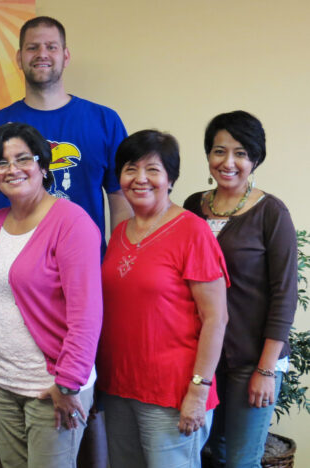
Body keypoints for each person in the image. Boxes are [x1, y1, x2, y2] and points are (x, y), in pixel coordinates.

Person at [98, 130, 229, 468]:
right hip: (118, 388)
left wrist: (199, 390)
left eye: (153, 170)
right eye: (130, 169)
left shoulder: (193, 231)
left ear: (170, 179)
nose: (140, 178)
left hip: (172, 394)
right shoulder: (119, 233)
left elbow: (216, 318)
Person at [0, 123, 102, 467]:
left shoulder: (72, 222)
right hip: (0, 381)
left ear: (43, 165)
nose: (12, 169)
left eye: (23, 159)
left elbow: (87, 314)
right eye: (0, 163)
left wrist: (69, 383)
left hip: (53, 387)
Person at [183, 111, 297, 468]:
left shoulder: (271, 212)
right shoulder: (192, 207)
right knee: (210, 455)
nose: (228, 162)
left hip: (253, 360)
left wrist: (266, 370)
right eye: (219, 151)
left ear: (255, 159)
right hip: (204, 358)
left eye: (241, 153)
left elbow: (284, 295)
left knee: (241, 461)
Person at [0, 16, 132, 254]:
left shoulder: (105, 121)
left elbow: (120, 197)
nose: (41, 54)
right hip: (9, 263)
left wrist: (120, 260)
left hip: (85, 260)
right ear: (19, 58)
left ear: (66, 56)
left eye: (51, 47)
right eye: (32, 47)